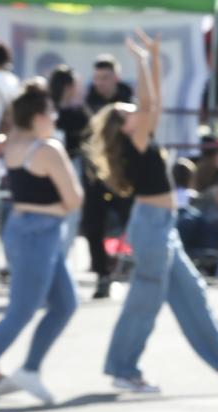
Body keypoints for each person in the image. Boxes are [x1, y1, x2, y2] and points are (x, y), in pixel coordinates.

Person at [91, 32, 218, 394]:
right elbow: (151, 105)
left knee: (192, 292)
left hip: (162, 225)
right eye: (126, 111)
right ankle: (124, 369)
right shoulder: (133, 139)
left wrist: (149, 59)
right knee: (144, 302)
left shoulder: (140, 135)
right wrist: (143, 61)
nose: (134, 109)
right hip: (150, 225)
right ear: (123, 126)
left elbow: (154, 104)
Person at [0, 80, 83, 409]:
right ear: (39, 115)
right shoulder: (48, 149)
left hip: (26, 229)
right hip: (38, 235)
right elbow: (74, 199)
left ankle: (30, 369)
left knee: (65, 303)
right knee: (20, 311)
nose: (54, 118)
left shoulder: (10, 143)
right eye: (51, 112)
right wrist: (52, 208)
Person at [82, 56, 135, 297]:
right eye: (97, 78)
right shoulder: (86, 103)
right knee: (93, 226)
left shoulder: (127, 103)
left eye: (105, 77)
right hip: (95, 175)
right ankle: (102, 274)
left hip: (123, 175)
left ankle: (134, 268)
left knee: (132, 221)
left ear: (116, 77)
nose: (100, 83)